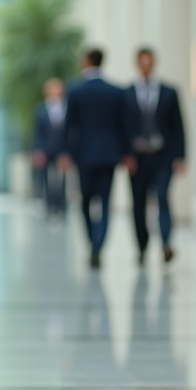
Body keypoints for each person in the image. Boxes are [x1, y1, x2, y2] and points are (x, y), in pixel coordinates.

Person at [60, 48, 134, 269]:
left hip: (83, 155)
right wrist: (127, 153)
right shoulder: (116, 91)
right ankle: (98, 246)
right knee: (105, 202)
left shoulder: (75, 90)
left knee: (85, 202)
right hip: (110, 155)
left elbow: (69, 124)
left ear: (86, 62)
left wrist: (66, 153)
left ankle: (92, 241)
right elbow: (125, 126)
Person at [124, 47, 186, 264]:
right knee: (138, 203)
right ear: (137, 64)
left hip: (163, 156)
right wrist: (126, 155)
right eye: (142, 62)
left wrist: (181, 156)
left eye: (149, 62)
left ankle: (166, 243)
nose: (146, 66)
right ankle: (142, 246)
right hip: (138, 159)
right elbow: (123, 128)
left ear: (154, 63)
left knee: (162, 197)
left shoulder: (169, 92)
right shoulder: (127, 93)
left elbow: (179, 126)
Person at [32, 78, 69, 216]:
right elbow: (37, 132)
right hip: (46, 150)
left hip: (62, 150)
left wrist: (68, 152)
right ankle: (49, 207)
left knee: (62, 180)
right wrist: (37, 150)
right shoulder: (40, 109)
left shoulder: (67, 108)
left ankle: (62, 207)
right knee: (46, 180)